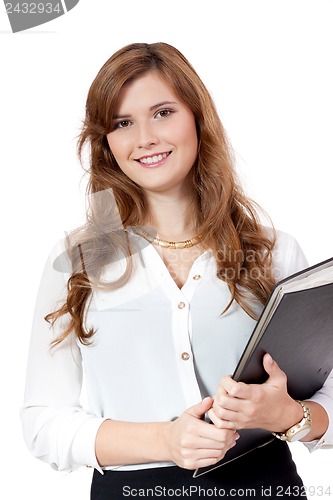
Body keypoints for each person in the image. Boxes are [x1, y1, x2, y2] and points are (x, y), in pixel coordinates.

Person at [21, 42, 333, 499]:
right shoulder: (78, 260)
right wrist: (164, 440)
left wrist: (287, 416)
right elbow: (42, 422)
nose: (145, 137)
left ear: (196, 117)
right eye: (122, 123)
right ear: (105, 142)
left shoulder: (273, 252)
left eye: (162, 112)